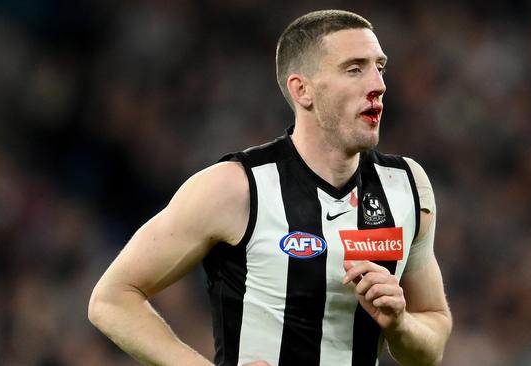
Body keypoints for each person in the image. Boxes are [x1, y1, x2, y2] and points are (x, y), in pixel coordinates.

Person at [88, 9, 452, 366]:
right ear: (302, 90)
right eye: (354, 69)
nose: (378, 85)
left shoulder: (406, 185)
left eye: (379, 67)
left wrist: (401, 325)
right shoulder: (235, 187)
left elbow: (430, 343)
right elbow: (111, 299)